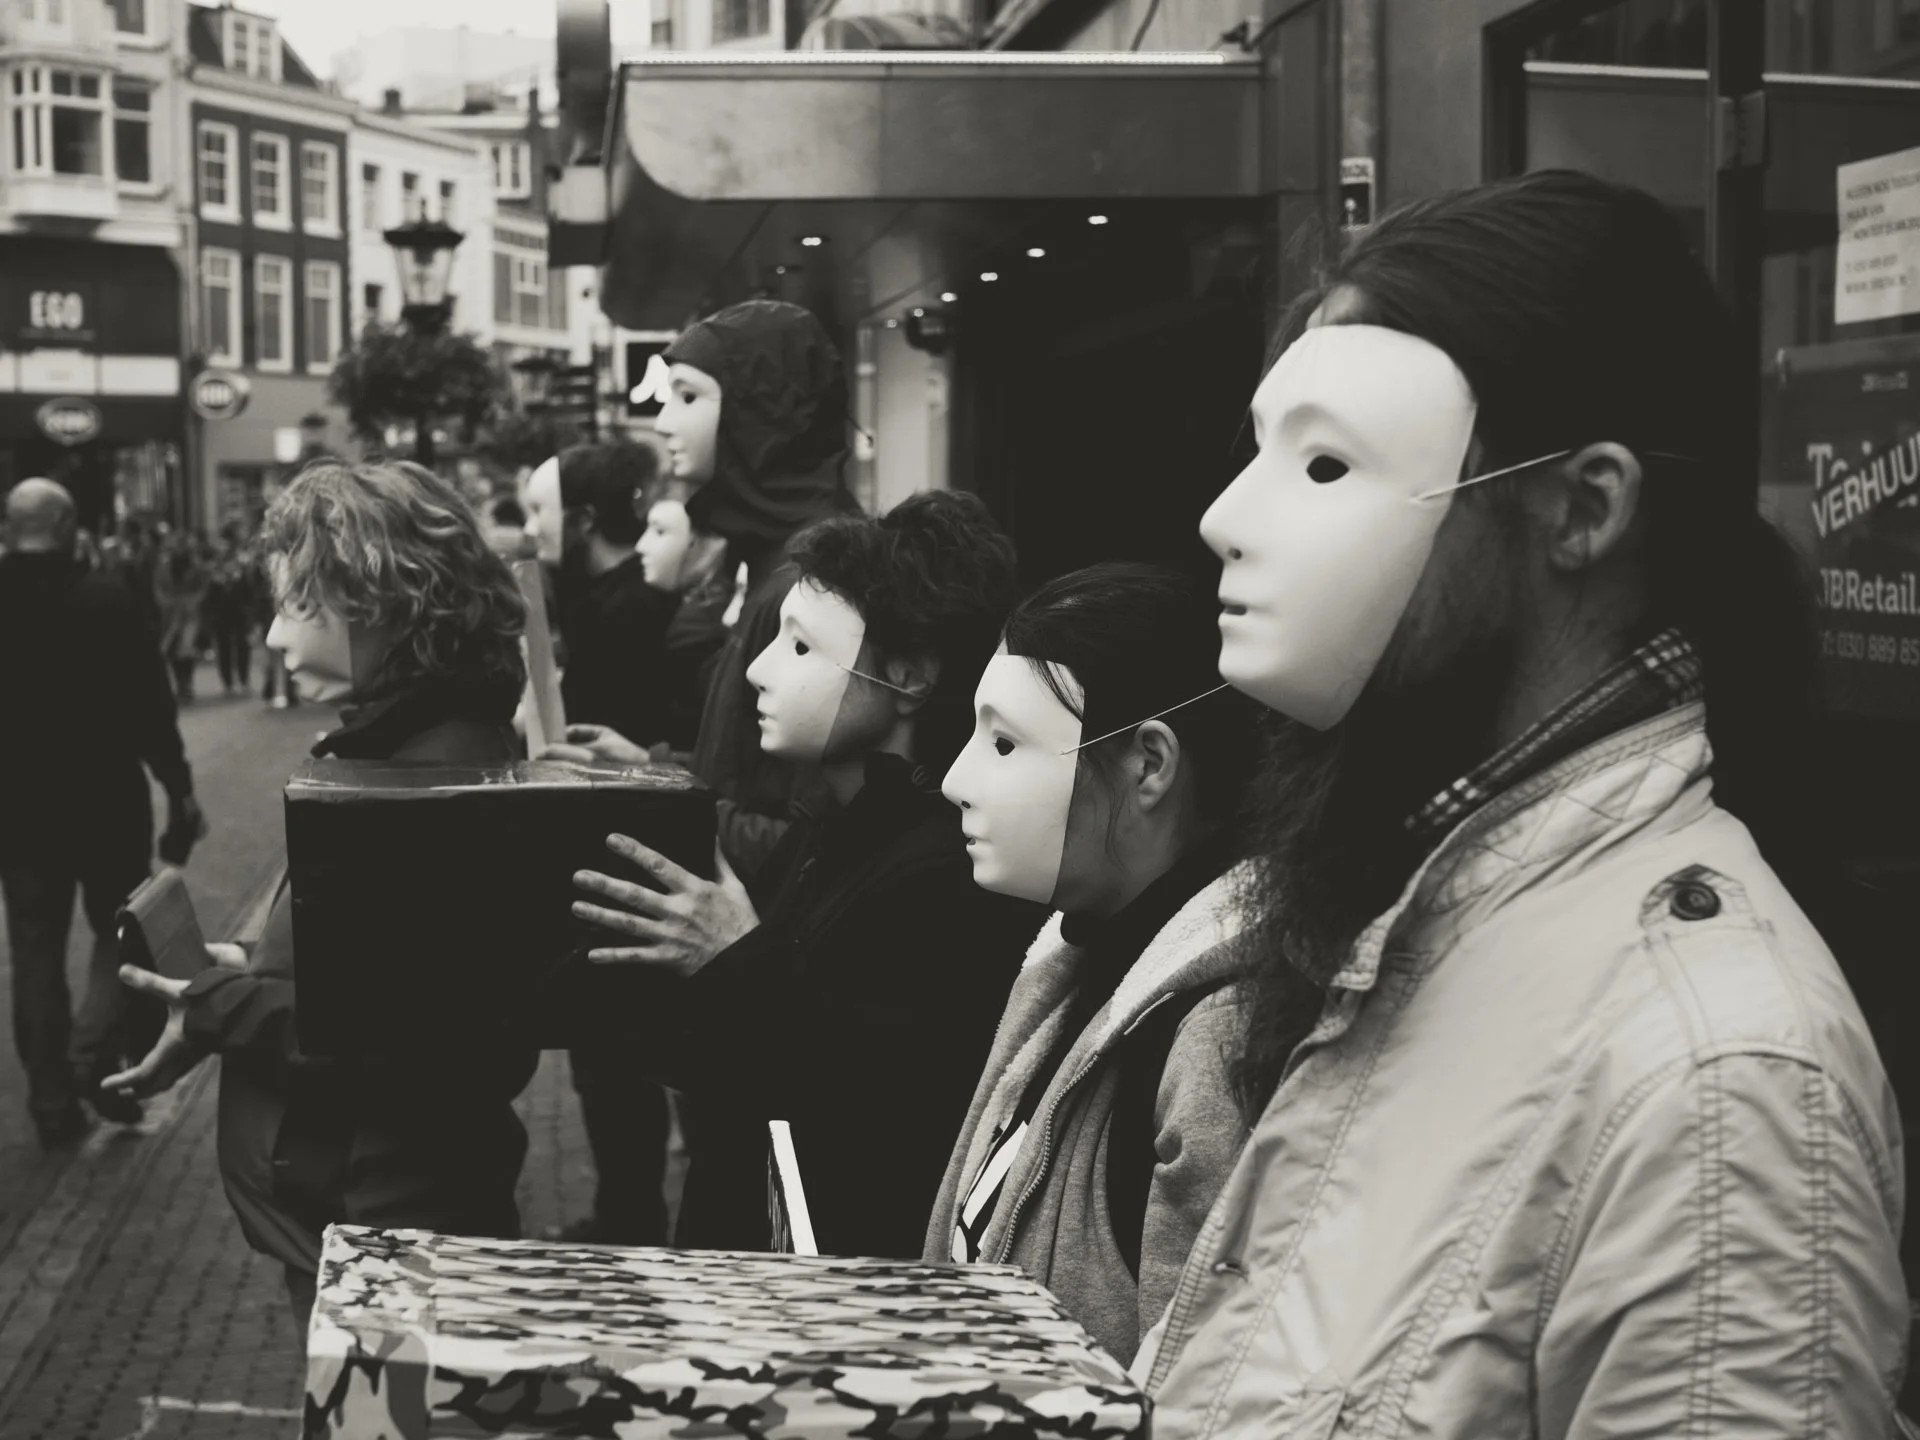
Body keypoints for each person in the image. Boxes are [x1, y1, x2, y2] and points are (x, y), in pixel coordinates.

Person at [1135, 171, 1906, 1435]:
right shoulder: (1408, 912)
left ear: (1585, 507)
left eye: (1330, 462)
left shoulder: (1719, 1087)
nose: (1227, 518)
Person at [106, 460, 541, 1333]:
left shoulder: (420, 792)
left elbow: (400, 1036)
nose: (272, 636)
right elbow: (388, 977)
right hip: (374, 1211)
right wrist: (249, 968)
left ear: (384, 604)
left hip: (379, 1222)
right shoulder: (427, 757)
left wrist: (220, 1004)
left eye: (296, 606)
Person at [567, 491, 1045, 1258]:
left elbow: (863, 1110)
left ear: (909, 676)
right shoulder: (835, 825)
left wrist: (735, 954)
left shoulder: (946, 872)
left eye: (799, 647)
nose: (758, 669)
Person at [928, 564, 1262, 1364]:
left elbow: (1194, 1390)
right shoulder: (1076, 964)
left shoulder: (1212, 1044)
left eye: (1005, 741)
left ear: (1149, 765)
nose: (953, 779)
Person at [553, 300, 859, 877]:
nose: (665, 420)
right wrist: (652, 764)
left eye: (689, 396)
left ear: (761, 415)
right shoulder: (774, 560)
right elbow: (755, 773)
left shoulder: (813, 582)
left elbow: (818, 842)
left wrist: (656, 797)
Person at [0, 478, 203, 1146]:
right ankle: (93, 1054)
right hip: (105, 805)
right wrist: (177, 784)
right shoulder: (108, 599)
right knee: (121, 937)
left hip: (20, 812)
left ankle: (50, 1098)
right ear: (64, 526)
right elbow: (152, 704)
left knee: (34, 951)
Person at [544, 439, 682, 1247]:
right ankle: (627, 1213)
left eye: (544, 515)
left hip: (620, 851)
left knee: (616, 1065)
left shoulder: (621, 609)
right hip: (613, 845)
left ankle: (631, 1221)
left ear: (583, 520)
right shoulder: (613, 601)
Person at [635, 477, 732, 754]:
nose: (641, 546)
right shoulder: (688, 612)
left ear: (708, 542)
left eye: (660, 531)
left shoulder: (701, 628)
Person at [154, 529, 209, 701]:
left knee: (186, 649)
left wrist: (195, 600)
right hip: (171, 614)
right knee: (172, 649)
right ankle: (179, 683)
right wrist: (165, 601)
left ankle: (187, 683)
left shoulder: (195, 564)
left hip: (189, 612)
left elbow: (204, 586)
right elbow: (158, 587)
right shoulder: (164, 564)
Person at [203, 530, 258, 696]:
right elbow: (209, 594)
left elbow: (248, 591)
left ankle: (243, 679)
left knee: (242, 647)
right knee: (224, 648)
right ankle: (228, 682)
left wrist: (251, 614)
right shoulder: (215, 568)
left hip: (239, 613)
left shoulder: (241, 565)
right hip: (221, 614)